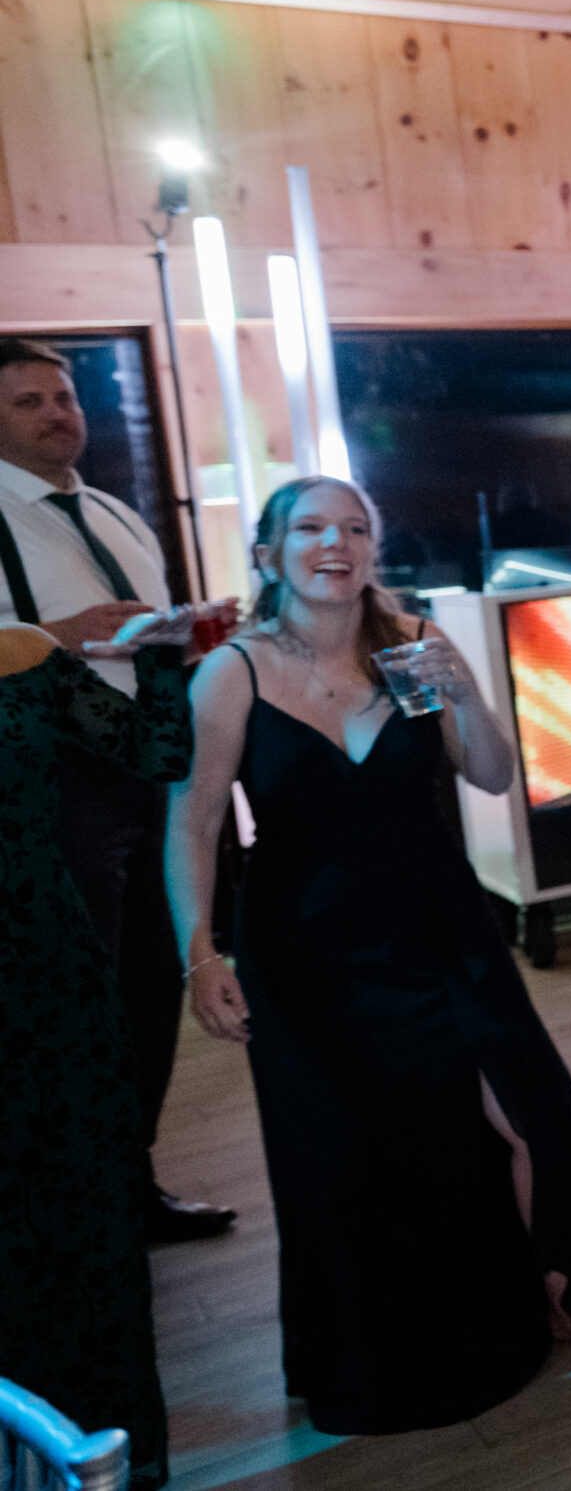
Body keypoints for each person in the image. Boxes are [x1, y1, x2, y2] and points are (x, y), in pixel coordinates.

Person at [167, 475, 571, 1435]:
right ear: (268, 553)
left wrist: (459, 686)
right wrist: (201, 954)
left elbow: (490, 773)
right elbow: (195, 819)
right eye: (311, 527)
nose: (335, 543)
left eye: (355, 528)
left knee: (516, 1112)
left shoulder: (410, 649)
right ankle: (392, 1351)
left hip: (439, 931)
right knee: (352, 1154)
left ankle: (558, 1290)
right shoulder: (232, 673)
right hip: (305, 956)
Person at [0, 337, 231, 1241]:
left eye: (64, 397)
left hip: (150, 770)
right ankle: (71, 1206)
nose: (58, 414)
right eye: (29, 402)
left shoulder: (117, 514)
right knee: (75, 999)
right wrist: (61, 632)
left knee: (149, 985)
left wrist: (194, 636)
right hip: (54, 783)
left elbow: (145, 643)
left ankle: (132, 1181)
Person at [0, 604, 216, 1491]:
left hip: (55, 984)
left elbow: (159, 753)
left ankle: (113, 1452)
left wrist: (161, 660)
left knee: (89, 1212)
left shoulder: (21, 654)